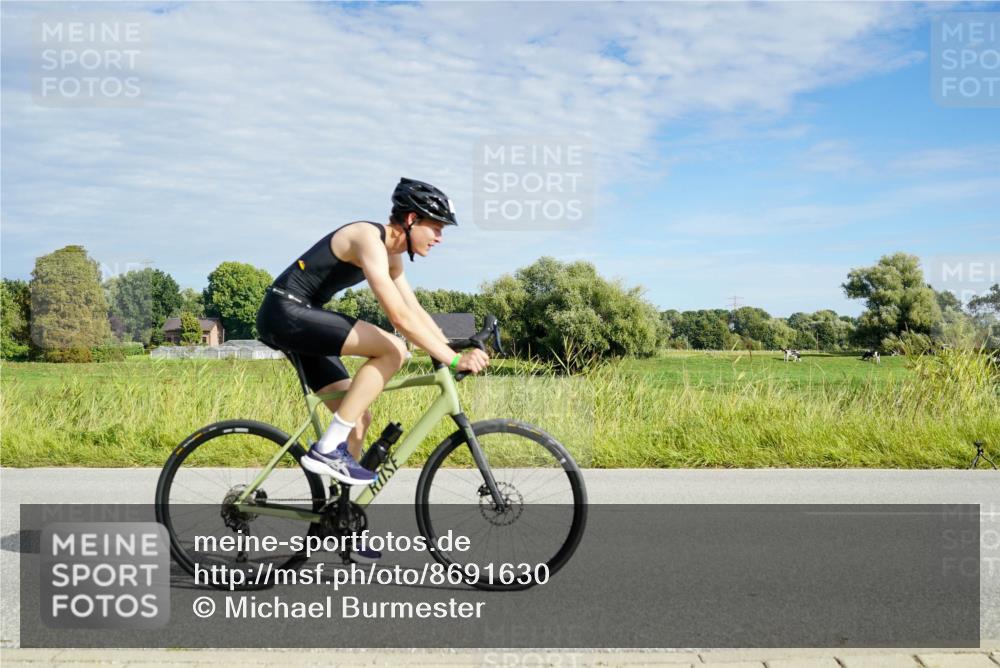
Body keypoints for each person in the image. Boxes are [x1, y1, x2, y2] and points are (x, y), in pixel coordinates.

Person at [256, 178, 490, 486]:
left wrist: (449, 347)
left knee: (357, 421)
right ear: (411, 219)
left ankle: (338, 517)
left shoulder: (393, 257)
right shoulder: (368, 239)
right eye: (437, 227)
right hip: (285, 312)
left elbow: (414, 310)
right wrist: (454, 360)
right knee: (393, 350)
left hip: (303, 318)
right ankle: (326, 449)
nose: (439, 237)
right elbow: (399, 317)